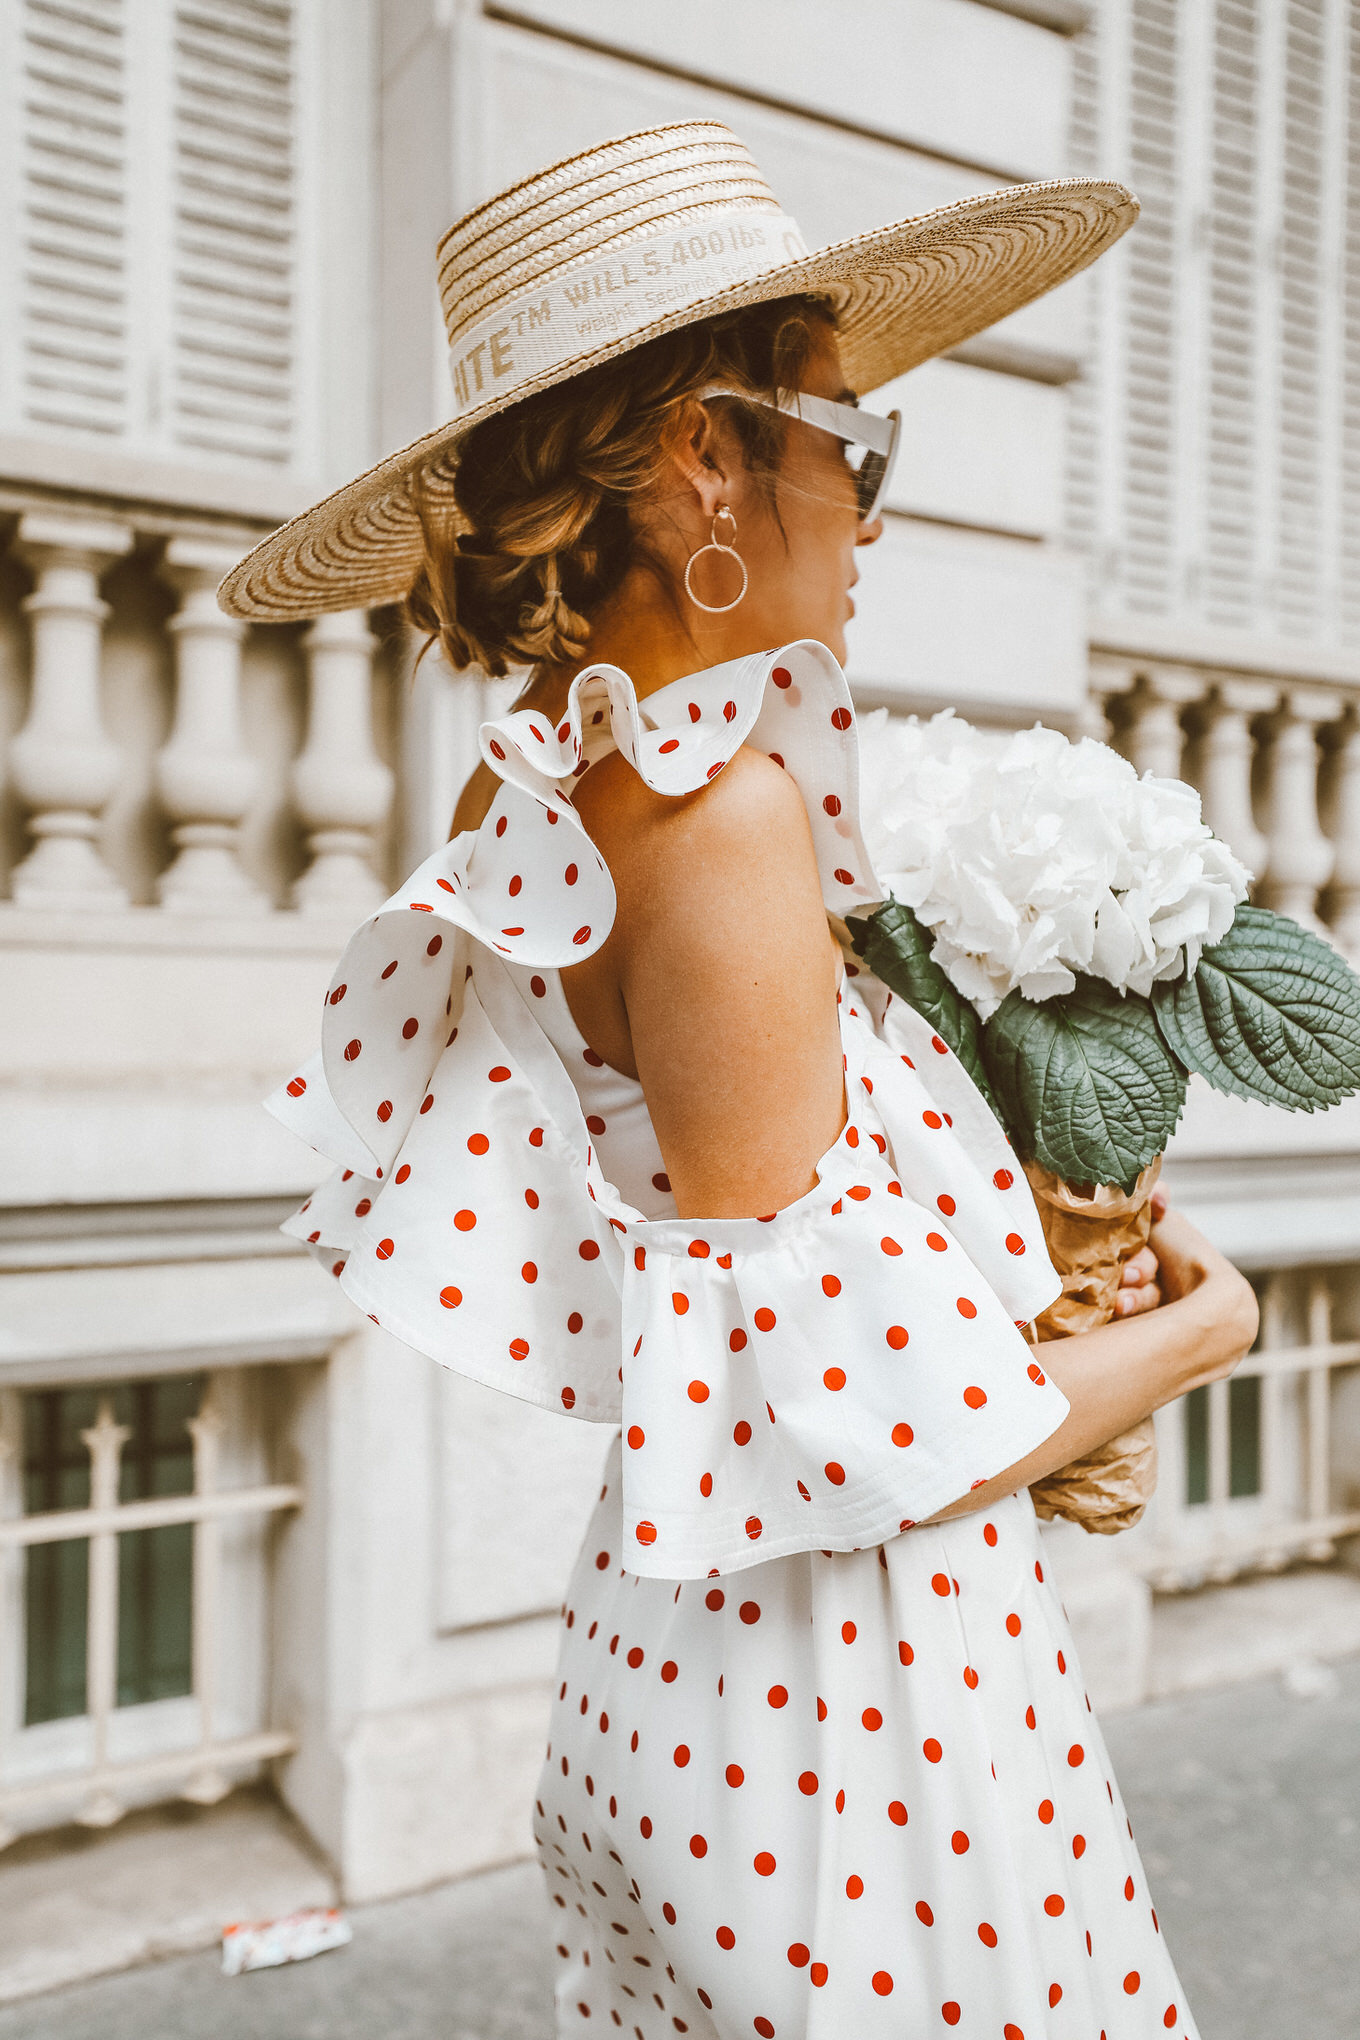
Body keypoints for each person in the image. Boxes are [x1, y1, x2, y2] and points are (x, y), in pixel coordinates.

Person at [222, 123, 1259, 2039]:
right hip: (864, 1734)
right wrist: (1212, 1333)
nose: (874, 518)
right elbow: (864, 1439)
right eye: (854, 451)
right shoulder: (724, 815)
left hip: (681, 1684)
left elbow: (737, 1289)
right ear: (706, 453)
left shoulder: (542, 784)